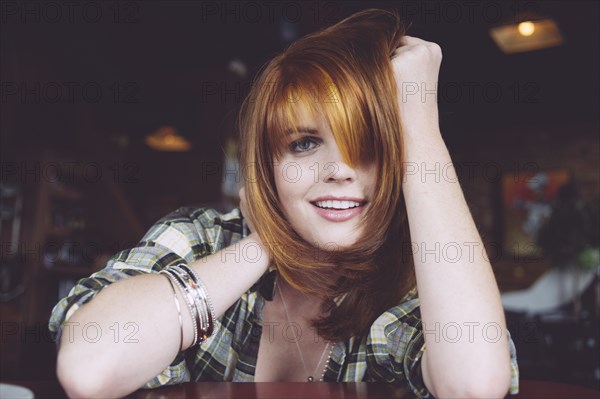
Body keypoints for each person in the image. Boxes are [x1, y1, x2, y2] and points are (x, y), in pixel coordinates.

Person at [49, 8, 519, 398]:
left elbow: (474, 388)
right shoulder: (201, 238)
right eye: (304, 143)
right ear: (267, 164)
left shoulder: (415, 287)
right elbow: (91, 368)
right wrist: (268, 241)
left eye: (370, 144)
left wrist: (417, 120)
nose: (340, 170)